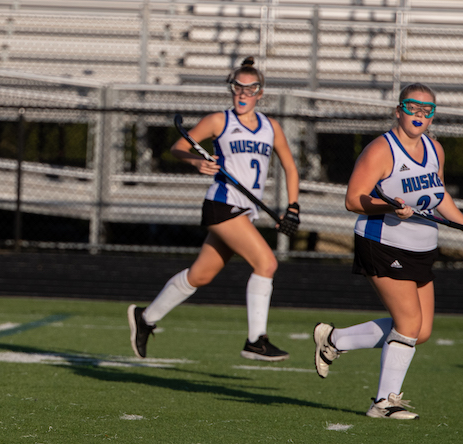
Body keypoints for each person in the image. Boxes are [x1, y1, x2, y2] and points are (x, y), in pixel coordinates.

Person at [128, 57, 301, 361]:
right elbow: (179, 147)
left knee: (200, 275)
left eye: (251, 89)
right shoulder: (219, 121)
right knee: (266, 263)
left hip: (244, 209)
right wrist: (198, 162)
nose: (244, 95)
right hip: (222, 204)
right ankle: (256, 340)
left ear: (261, 93)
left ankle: (145, 318)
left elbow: (289, 165)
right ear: (231, 89)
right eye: (238, 88)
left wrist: (293, 207)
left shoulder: (270, 127)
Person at [313, 83, 462, 420]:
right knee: (408, 323)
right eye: (413, 107)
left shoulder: (434, 149)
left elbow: (439, 197)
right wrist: (389, 208)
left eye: (427, 110)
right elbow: (353, 199)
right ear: (399, 110)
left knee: (420, 332)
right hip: (382, 242)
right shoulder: (382, 150)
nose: (419, 115)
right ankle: (384, 402)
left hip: (421, 246)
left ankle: (335, 339)